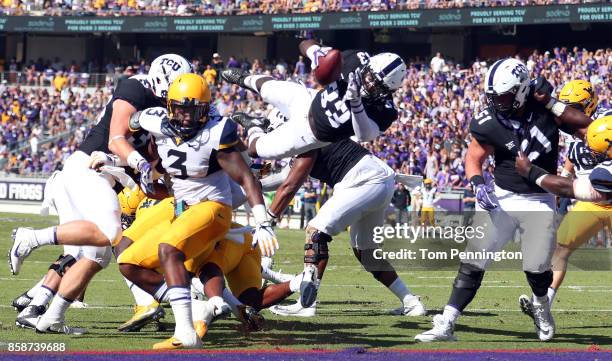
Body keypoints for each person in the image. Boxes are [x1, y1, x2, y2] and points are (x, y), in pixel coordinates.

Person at [8, 54, 193, 334]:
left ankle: (46, 314)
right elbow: (115, 138)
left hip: (102, 176)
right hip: (85, 169)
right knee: (110, 233)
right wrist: (137, 163)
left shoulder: (163, 118)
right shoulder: (136, 87)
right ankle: (30, 238)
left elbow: (151, 178)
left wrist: (174, 188)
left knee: (95, 256)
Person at [415, 58, 592, 343]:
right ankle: (447, 322)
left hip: (538, 198)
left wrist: (551, 103)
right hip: (502, 196)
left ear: (522, 91)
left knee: (535, 269)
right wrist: (476, 183)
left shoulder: (545, 108)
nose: (498, 102)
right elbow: (474, 158)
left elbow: (589, 129)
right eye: (494, 96)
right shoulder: (489, 121)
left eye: (505, 96)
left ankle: (541, 305)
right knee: (474, 258)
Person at [116, 73, 277, 349]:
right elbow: (130, 123)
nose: (187, 118)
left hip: (213, 209)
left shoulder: (216, 131)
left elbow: (246, 178)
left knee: (168, 249)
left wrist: (263, 221)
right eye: (181, 110)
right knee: (127, 262)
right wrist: (131, 163)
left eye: (195, 111)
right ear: (170, 107)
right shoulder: (156, 123)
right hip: (182, 211)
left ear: (206, 110)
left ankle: (185, 332)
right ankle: (195, 309)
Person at [265, 136, 426, 317]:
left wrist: (267, 218)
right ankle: (410, 302)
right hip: (378, 178)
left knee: (316, 232)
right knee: (366, 252)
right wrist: (248, 182)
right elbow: (281, 177)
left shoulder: (304, 138)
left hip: (362, 179)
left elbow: (290, 184)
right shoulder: (302, 139)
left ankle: (306, 303)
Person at [221, 39, 406, 160]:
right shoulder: (355, 60)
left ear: (389, 90)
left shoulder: (386, 111)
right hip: (308, 99)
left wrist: (356, 102)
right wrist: (316, 54)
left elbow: (365, 136)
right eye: (369, 77)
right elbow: (305, 44)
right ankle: (244, 78)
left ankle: (254, 125)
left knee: (255, 150)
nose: (370, 84)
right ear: (367, 67)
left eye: (378, 85)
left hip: (308, 134)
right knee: (268, 88)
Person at [517, 80, 611, 317]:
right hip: (590, 201)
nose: (569, 111)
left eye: (574, 107)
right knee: (561, 248)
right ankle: (544, 302)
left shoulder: (604, 120)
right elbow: (572, 153)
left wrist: (537, 175)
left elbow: (586, 132)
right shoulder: (572, 126)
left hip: (599, 190)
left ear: (589, 104)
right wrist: (566, 173)